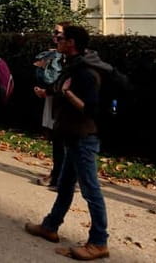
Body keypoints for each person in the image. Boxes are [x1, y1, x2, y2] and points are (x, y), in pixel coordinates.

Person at [25, 25, 110, 260]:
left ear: (71, 42)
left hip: (84, 138)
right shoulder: (73, 64)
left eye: (60, 37)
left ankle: (99, 241)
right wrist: (49, 93)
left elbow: (90, 109)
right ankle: (50, 226)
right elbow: (61, 86)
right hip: (72, 136)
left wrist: (68, 93)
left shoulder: (87, 72)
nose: (56, 39)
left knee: (91, 190)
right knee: (64, 185)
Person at [32, 22, 70, 190]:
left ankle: (62, 178)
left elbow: (62, 81)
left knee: (63, 141)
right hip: (54, 100)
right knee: (57, 140)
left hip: (63, 104)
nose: (55, 36)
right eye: (54, 33)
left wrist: (47, 91)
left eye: (58, 33)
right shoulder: (53, 54)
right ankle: (58, 174)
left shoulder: (69, 58)